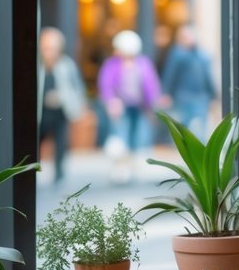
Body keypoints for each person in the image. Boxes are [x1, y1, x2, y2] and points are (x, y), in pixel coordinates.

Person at [97, 29, 162, 183]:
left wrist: (153, 105)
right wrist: (111, 101)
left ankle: (133, 168)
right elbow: (105, 85)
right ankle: (120, 169)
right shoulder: (111, 64)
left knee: (138, 136)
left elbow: (151, 86)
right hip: (120, 107)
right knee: (120, 137)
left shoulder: (143, 63)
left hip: (140, 107)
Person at [38, 27, 87, 183]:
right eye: (46, 48)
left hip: (60, 112)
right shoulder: (37, 66)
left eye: (52, 48)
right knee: (35, 143)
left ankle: (59, 174)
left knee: (60, 144)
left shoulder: (66, 65)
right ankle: (32, 172)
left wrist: (77, 105)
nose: (49, 52)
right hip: (40, 113)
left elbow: (77, 87)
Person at [160, 24, 217, 140]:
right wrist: (166, 93)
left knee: (199, 128)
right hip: (182, 97)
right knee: (183, 129)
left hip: (201, 98)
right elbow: (170, 75)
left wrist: (213, 96)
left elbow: (208, 77)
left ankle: (200, 154)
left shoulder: (203, 55)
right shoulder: (177, 54)